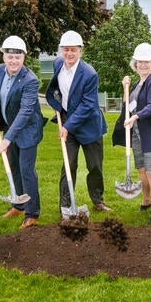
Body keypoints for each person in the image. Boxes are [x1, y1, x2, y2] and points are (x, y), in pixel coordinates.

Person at [46, 30, 111, 215]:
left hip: (90, 126)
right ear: (61, 51)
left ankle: (98, 200)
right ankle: (65, 206)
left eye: (73, 50)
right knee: (69, 165)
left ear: (80, 51)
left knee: (95, 166)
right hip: (67, 121)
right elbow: (56, 89)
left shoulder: (90, 74)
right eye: (66, 50)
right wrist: (57, 104)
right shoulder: (58, 64)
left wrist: (67, 126)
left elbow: (88, 105)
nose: (69, 54)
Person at [0, 36, 46, 229]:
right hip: (9, 125)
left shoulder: (30, 80)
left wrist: (8, 139)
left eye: (18, 57)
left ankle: (32, 213)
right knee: (14, 167)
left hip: (28, 129)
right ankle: (18, 205)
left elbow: (26, 111)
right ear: (4, 56)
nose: (14, 61)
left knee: (27, 170)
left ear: (24, 58)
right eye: (10, 56)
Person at [113, 43, 151, 224]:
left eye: (147, 62)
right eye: (140, 62)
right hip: (138, 134)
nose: (143, 65)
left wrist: (135, 117)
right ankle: (147, 199)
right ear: (135, 64)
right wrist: (126, 88)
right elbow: (129, 106)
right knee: (141, 170)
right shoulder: (138, 83)